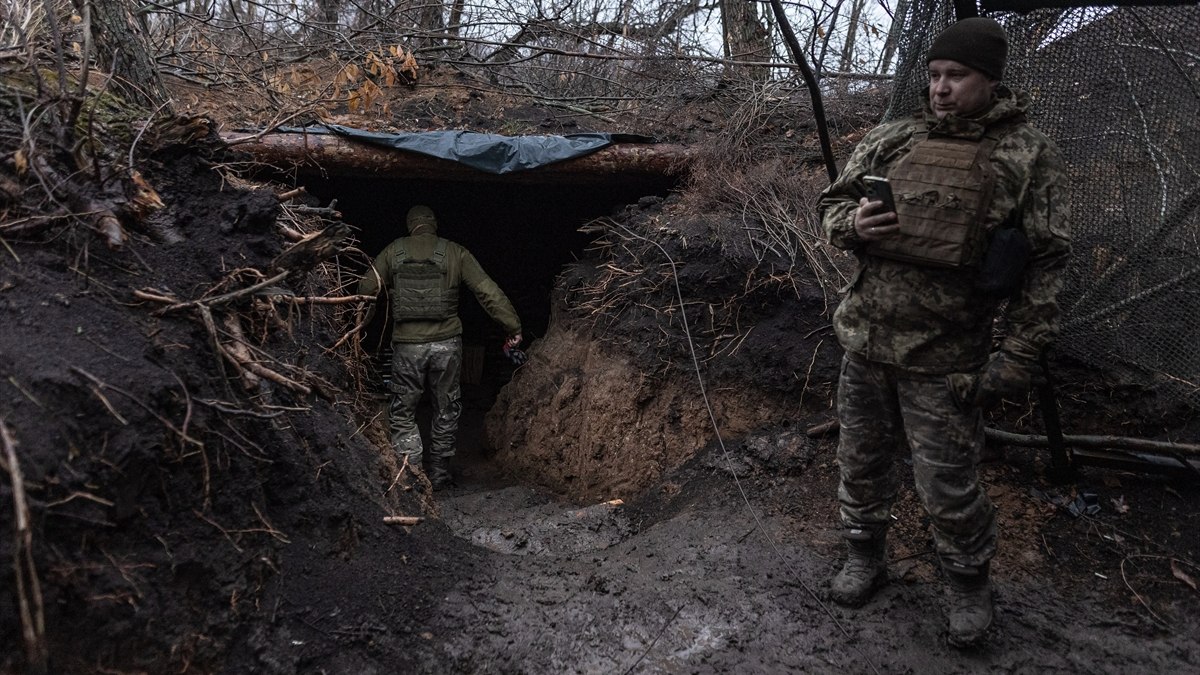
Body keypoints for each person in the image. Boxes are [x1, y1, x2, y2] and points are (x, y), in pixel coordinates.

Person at [818, 17, 1071, 647]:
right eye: (933, 76)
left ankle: (966, 584)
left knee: (949, 482)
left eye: (956, 76)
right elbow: (831, 205)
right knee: (860, 462)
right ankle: (864, 555)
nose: (940, 88)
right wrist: (855, 225)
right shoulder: (892, 138)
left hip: (949, 356)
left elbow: (1046, 262)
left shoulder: (1027, 154)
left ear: (990, 79)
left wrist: (1017, 352)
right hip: (866, 341)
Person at [358, 205, 522, 489]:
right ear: (434, 224)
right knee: (446, 407)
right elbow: (487, 291)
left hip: (408, 347)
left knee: (403, 410)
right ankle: (440, 473)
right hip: (447, 345)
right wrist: (512, 327)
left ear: (410, 225)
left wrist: (360, 329)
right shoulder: (455, 252)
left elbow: (366, 290)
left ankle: (410, 475)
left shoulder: (393, 251)